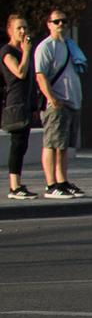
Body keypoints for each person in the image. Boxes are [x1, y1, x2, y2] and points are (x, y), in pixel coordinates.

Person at [33, 9, 83, 196]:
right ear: (49, 24)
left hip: (72, 103)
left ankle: (62, 180)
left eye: (64, 21)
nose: (61, 24)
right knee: (52, 144)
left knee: (63, 147)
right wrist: (53, 99)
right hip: (57, 104)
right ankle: (51, 184)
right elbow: (40, 76)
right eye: (57, 21)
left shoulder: (69, 46)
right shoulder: (46, 47)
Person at [2, 13, 35, 198]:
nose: (23, 31)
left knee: (23, 145)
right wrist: (27, 52)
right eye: (18, 28)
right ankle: (14, 187)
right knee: (17, 144)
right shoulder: (7, 51)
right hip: (15, 102)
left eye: (24, 27)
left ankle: (19, 184)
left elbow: (29, 81)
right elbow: (20, 73)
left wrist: (33, 107)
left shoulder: (23, 52)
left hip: (25, 103)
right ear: (10, 31)